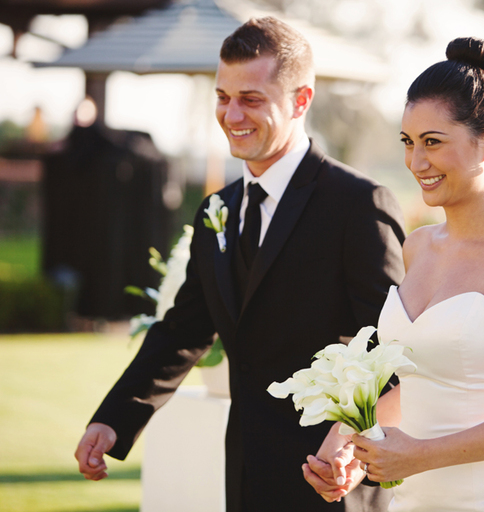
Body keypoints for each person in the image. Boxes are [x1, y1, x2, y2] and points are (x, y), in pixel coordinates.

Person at [74, 17, 406, 512]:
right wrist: (114, 418)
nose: (231, 114)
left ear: (300, 101)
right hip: (246, 471)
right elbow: (183, 329)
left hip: (332, 477)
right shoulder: (217, 208)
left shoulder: (357, 203)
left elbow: (387, 349)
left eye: (250, 98)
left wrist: (351, 449)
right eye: (222, 97)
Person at [304, 37, 484, 511]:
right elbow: (423, 382)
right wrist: (346, 439)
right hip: (416, 500)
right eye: (408, 142)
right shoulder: (418, 247)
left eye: (433, 142)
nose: (416, 162)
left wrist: (419, 456)